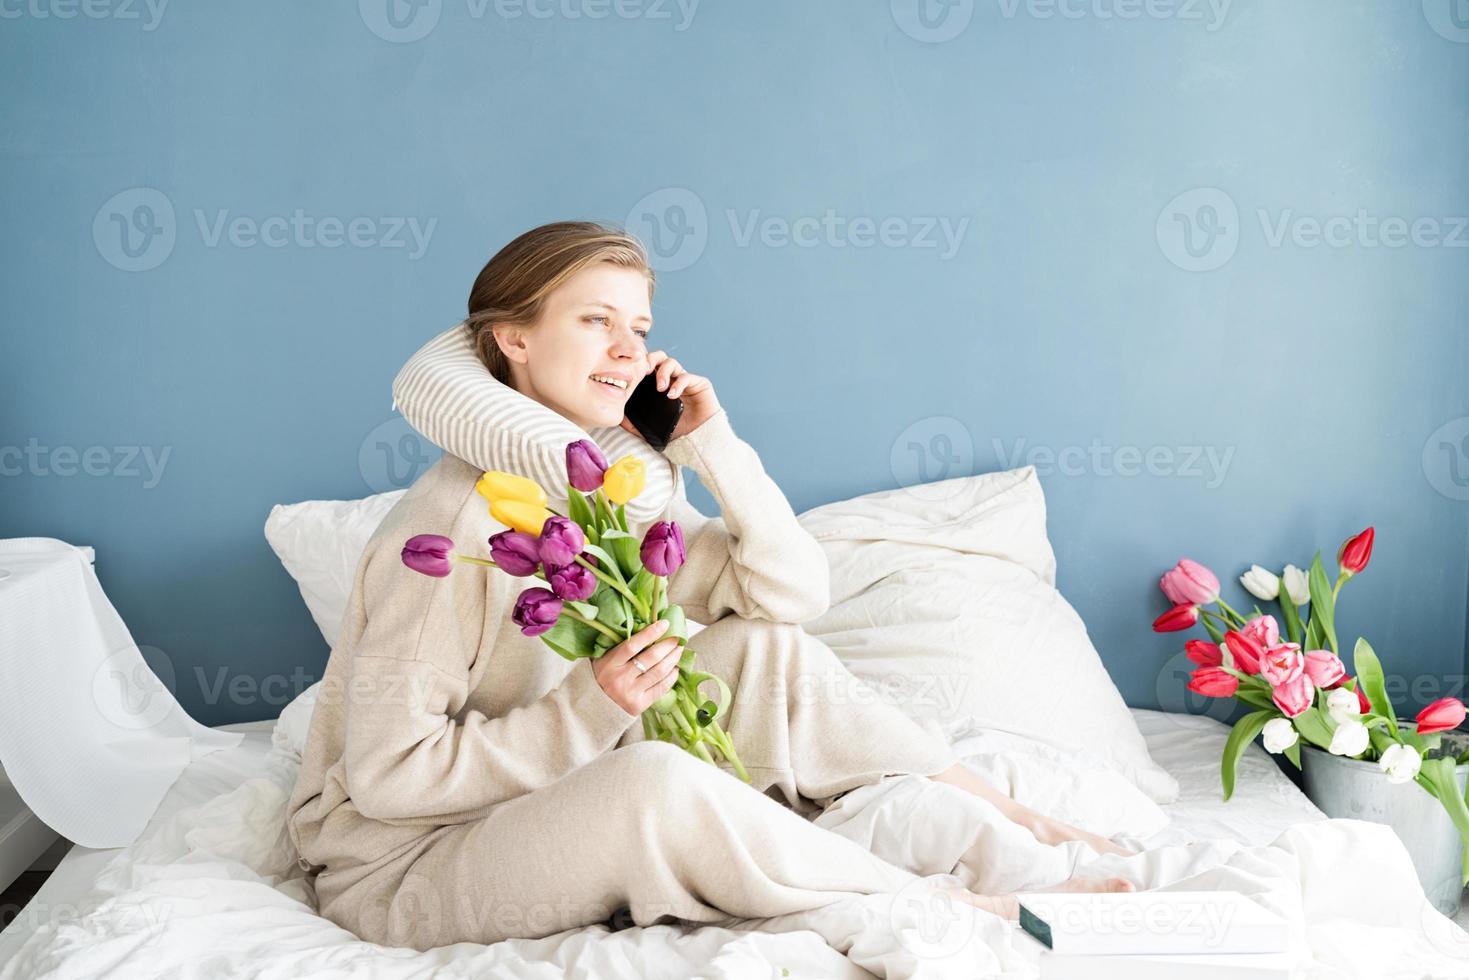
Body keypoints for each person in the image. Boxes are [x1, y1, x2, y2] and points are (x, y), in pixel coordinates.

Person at [284, 221, 1136, 952]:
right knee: (651, 776)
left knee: (762, 647)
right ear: (513, 337)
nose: (627, 350)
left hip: (533, 803)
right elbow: (392, 778)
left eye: (639, 327)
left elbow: (791, 594)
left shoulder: (597, 492)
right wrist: (592, 707)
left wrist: (713, 444)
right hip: (405, 868)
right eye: (594, 321)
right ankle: (955, 907)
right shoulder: (441, 534)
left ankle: (1023, 822)